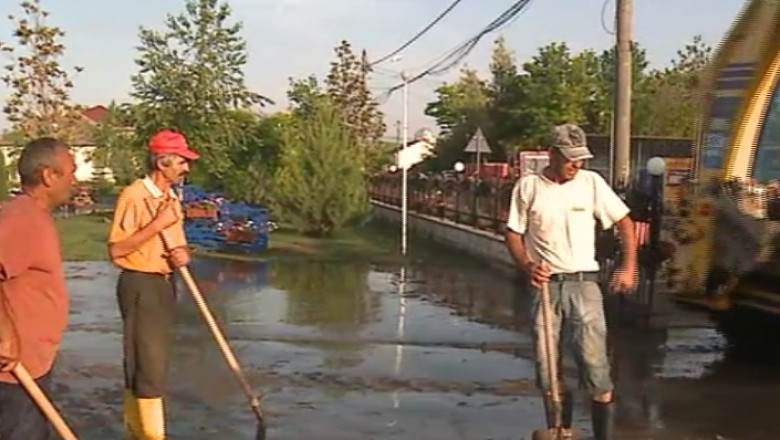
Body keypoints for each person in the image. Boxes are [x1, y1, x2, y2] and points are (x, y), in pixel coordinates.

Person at [504, 124, 637, 440]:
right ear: (551, 154)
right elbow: (513, 233)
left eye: (581, 158)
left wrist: (629, 267)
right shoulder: (529, 187)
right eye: (570, 158)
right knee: (548, 366)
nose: (577, 164)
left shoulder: (591, 183)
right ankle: (560, 430)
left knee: (594, 363)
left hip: (584, 284)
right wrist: (527, 265)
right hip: (546, 286)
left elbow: (626, 224)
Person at [107, 129, 199, 440]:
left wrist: (182, 255)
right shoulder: (135, 196)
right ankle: (149, 435)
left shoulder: (171, 198)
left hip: (165, 282)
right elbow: (117, 250)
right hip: (139, 283)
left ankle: (139, 433)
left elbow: (179, 244)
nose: (186, 167)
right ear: (163, 162)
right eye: (182, 162)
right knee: (146, 363)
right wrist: (155, 226)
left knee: (154, 362)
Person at [0, 137, 77, 439]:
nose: (75, 179)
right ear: (49, 175)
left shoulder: (33, 216)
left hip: (32, 365)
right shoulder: (22, 219)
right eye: (70, 171)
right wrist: (4, 333)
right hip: (14, 373)